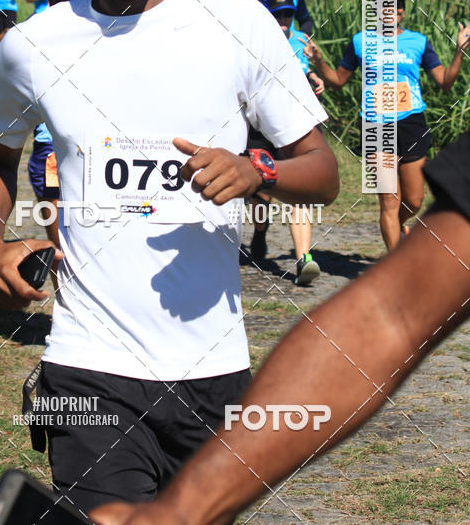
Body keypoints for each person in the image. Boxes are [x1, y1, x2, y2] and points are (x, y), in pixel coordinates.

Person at [0, 0, 338, 518]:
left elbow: (321, 170)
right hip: (89, 363)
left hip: (213, 369)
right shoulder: (34, 45)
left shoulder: (238, 24)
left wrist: (256, 170)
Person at [90, 130, 470, 525]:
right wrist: (185, 509)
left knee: (398, 199)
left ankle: (302, 248)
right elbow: (390, 315)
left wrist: (262, 168)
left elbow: (390, 313)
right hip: (376, 134)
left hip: (393, 131)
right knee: (384, 202)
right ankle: (286, 240)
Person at [304, 0, 470, 250]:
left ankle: (400, 225)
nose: (389, 11)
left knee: (414, 200)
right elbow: (336, 81)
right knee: (389, 202)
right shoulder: (360, 41)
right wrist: (319, 61)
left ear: (401, 11)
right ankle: (396, 262)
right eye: (382, 5)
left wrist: (459, 50)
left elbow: (445, 82)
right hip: (375, 125)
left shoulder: (418, 42)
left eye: (394, 6)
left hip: (411, 123)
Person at [246, 0, 325, 283]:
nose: (283, 21)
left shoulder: (301, 43)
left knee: (299, 192)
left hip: (295, 126)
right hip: (261, 126)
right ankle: (259, 233)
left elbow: (302, 74)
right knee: (262, 191)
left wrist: (314, 78)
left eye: (288, 15)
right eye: (277, 15)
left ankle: (304, 259)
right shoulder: (255, 42)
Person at [26, 0, 88, 274]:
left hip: (81, 150)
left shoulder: (104, 35)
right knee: (65, 247)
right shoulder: (38, 37)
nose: (71, 4)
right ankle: (68, 315)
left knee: (77, 244)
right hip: (55, 150)